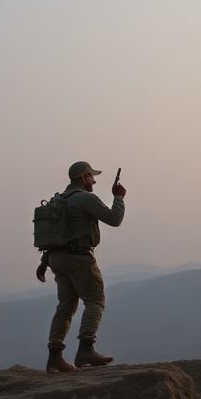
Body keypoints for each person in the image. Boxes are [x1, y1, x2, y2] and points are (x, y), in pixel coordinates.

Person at [39, 160, 127, 373]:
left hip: (56, 259)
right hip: (78, 258)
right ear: (83, 178)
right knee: (95, 300)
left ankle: (54, 358)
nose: (94, 181)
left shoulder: (58, 200)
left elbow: (54, 233)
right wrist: (118, 198)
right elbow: (114, 219)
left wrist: (44, 262)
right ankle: (86, 349)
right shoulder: (85, 198)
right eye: (91, 176)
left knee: (66, 306)